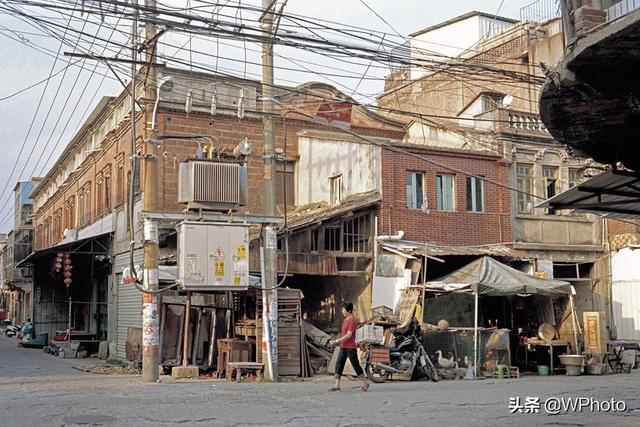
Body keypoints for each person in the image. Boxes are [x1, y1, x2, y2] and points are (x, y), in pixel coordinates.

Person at [329, 302, 369, 392]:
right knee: (339, 364)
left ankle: (365, 383)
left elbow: (348, 335)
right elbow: (343, 333)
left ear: (349, 310)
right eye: (342, 309)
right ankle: (337, 385)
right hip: (343, 347)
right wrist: (338, 340)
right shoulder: (345, 320)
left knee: (356, 366)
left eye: (344, 310)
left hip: (351, 348)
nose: (342, 311)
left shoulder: (352, 321)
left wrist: (336, 341)